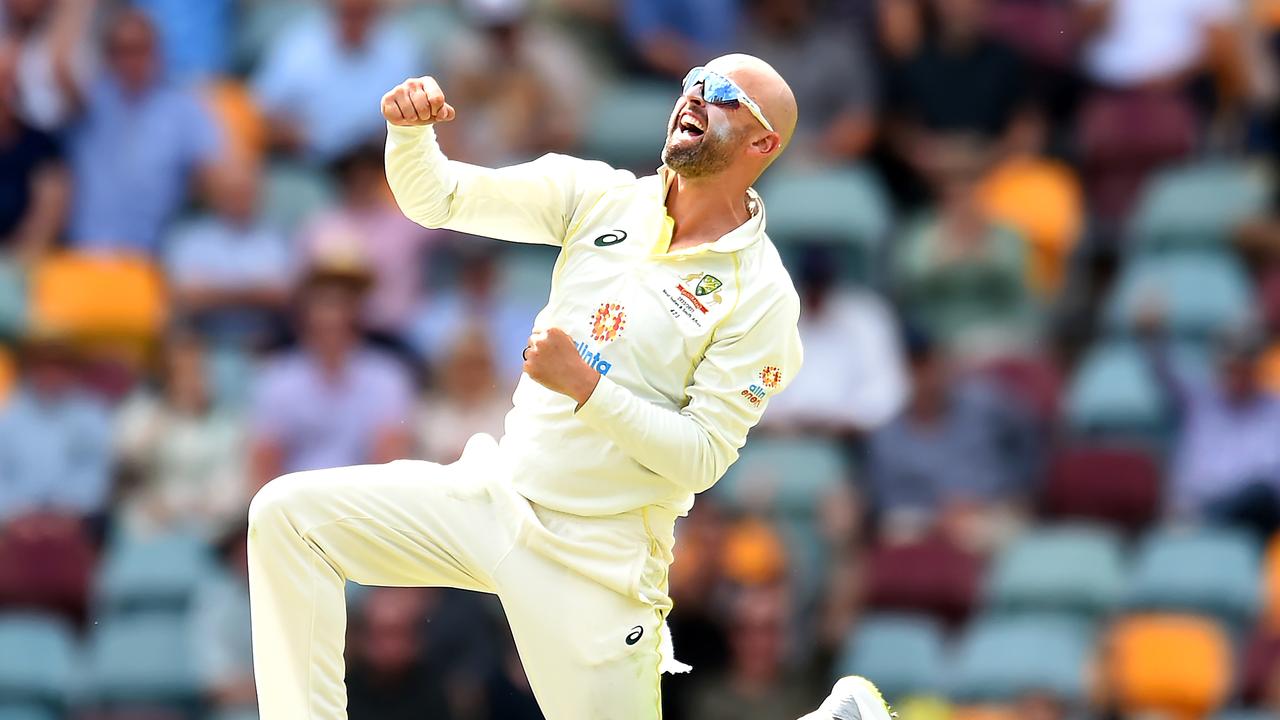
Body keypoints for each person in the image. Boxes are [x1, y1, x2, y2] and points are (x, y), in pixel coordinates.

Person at [247, 55, 889, 719]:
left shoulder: (761, 295)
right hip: (495, 498)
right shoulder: (597, 194)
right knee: (287, 518)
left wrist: (588, 387)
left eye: (723, 94)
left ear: (763, 143)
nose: (696, 96)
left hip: (599, 560)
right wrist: (410, 135)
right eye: (694, 81)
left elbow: (701, 457)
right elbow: (437, 198)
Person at [247, 257, 415, 488]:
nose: (332, 313)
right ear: (304, 311)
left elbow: (390, 459)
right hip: (293, 509)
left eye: (342, 301)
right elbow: (264, 464)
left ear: (358, 310)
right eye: (323, 300)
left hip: (363, 507)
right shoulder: (278, 378)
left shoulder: (387, 377)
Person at [67, 8, 221, 253]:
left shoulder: (183, 109)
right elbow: (59, 66)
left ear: (158, 53)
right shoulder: (89, 101)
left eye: (140, 49)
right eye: (121, 51)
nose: (131, 61)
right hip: (84, 255)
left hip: (153, 258)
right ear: (107, 57)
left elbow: (214, 175)